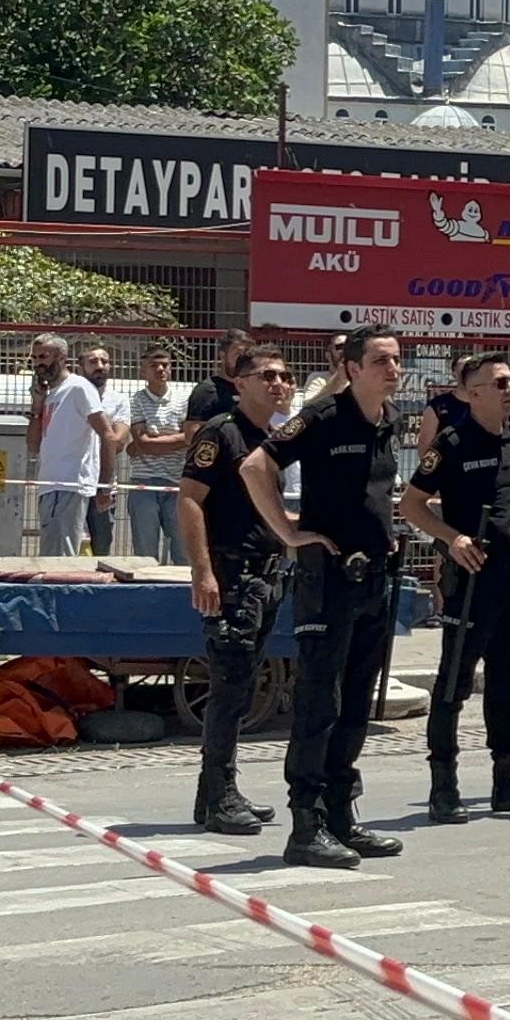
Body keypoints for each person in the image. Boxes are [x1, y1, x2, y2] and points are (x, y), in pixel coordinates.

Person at [245, 322, 410, 869]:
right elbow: (256, 466)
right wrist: (290, 534)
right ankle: (306, 825)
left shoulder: (390, 421)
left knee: (358, 702)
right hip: (329, 579)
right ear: (353, 368)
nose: (393, 369)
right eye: (381, 361)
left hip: (373, 579)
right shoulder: (320, 417)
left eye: (396, 360)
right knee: (321, 702)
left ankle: (343, 813)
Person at [402, 353, 510, 823]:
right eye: (500, 383)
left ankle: (507, 781)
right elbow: (413, 505)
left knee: (509, 683)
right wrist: (452, 539)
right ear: (473, 394)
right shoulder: (450, 443)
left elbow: (509, 501)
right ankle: (443, 787)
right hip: (472, 581)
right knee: (454, 683)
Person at [181, 343, 296, 834]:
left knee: (244, 683)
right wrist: (201, 571)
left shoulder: (267, 438)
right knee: (229, 688)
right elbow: (189, 500)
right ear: (240, 383)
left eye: (284, 376)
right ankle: (219, 793)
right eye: (266, 375)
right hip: (231, 574)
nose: (278, 383)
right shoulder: (221, 433)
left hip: (265, 573)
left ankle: (215, 795)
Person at [27, 334, 109, 554]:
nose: (38, 363)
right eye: (34, 358)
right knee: (50, 552)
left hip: (70, 482)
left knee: (60, 557)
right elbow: (33, 445)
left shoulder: (79, 388)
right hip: (49, 484)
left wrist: (105, 483)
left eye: (43, 356)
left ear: (62, 357)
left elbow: (107, 434)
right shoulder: (50, 394)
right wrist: (37, 408)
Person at [112, 348, 193, 563]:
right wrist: (175, 438)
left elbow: (191, 438)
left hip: (177, 484)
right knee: (145, 553)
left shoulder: (184, 400)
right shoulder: (135, 401)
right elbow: (142, 443)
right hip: (144, 484)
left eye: (165, 365)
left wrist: (153, 441)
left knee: (183, 552)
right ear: (143, 371)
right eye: (153, 366)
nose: (160, 370)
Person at [79, 345, 125, 552]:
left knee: (102, 544)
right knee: (72, 544)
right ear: (81, 367)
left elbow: (118, 440)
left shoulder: (119, 400)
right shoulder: (71, 394)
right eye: (93, 362)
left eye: (104, 361)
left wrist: (104, 485)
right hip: (74, 482)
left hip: (104, 484)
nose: (100, 366)